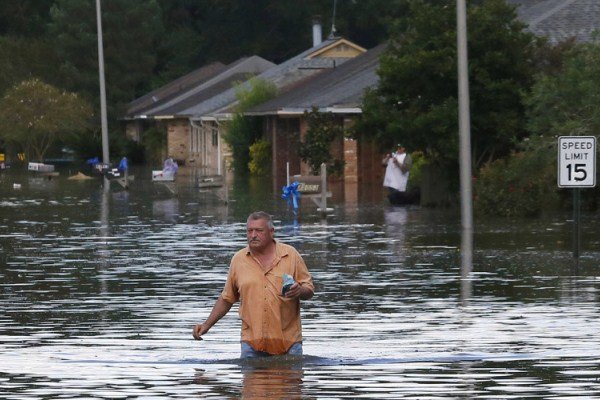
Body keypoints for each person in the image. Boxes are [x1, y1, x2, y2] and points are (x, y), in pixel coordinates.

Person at [193, 211, 314, 358]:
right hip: (251, 343)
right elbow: (227, 299)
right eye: (249, 231)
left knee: (290, 379)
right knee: (252, 380)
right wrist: (206, 325)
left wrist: (300, 291)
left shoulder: (290, 255)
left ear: (271, 232)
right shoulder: (238, 260)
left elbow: (309, 290)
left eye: (259, 230)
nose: (253, 235)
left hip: (289, 343)